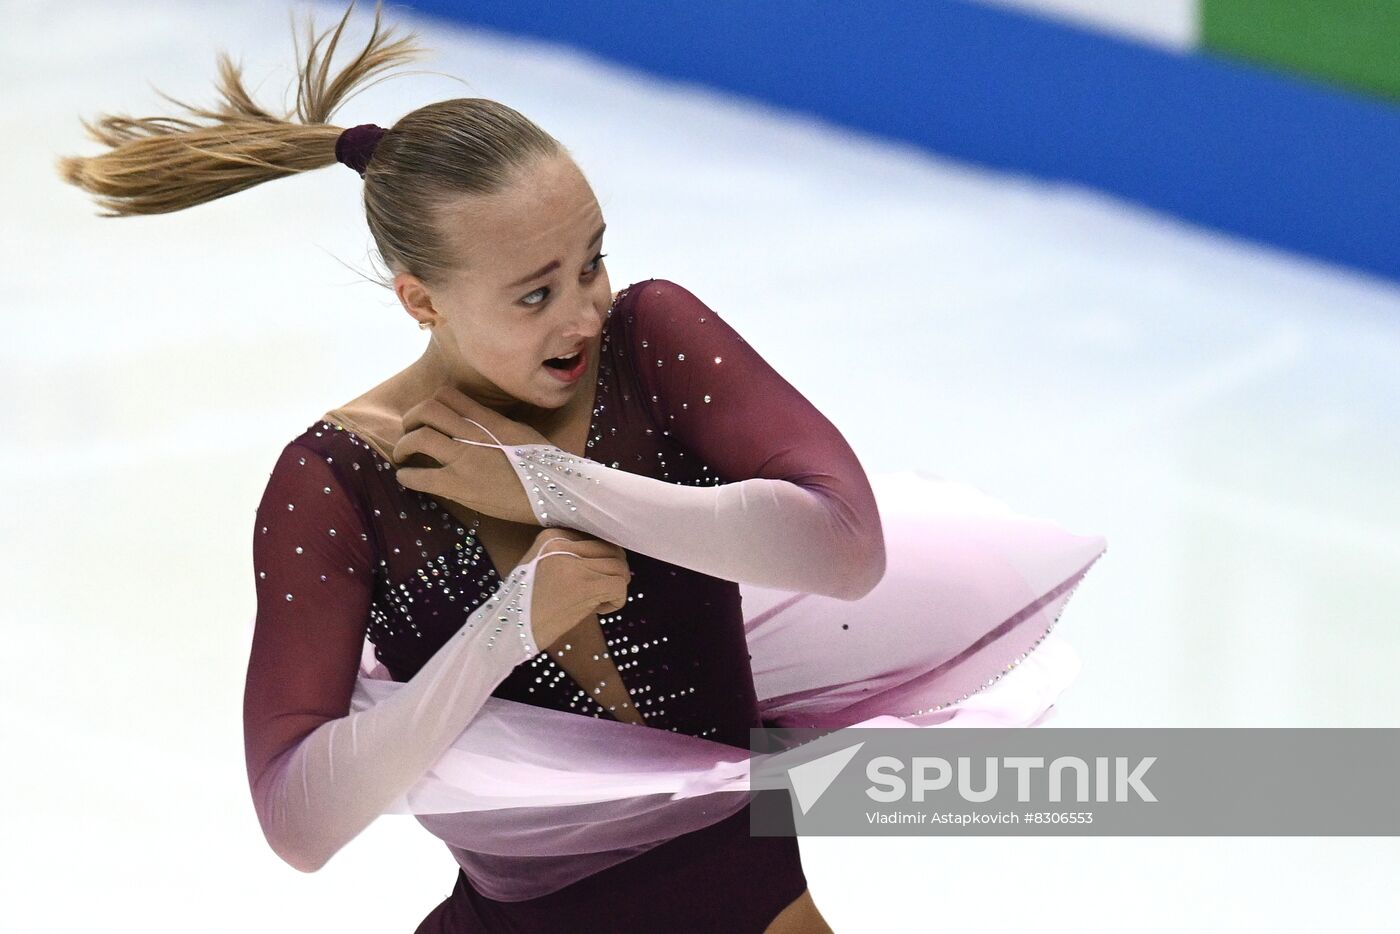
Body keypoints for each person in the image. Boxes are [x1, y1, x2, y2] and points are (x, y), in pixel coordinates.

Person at [57, 2, 1105, 930]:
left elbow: (843, 547)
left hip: (744, 898)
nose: (583, 311)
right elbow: (297, 817)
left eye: (590, 260)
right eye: (533, 293)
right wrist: (507, 623)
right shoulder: (338, 481)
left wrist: (550, 485)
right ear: (420, 300)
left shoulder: (652, 346)